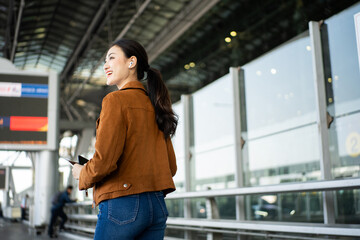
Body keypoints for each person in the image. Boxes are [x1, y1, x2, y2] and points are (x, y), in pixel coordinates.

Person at [72, 39, 178, 240]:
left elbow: (104, 161)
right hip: (156, 206)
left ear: (132, 62)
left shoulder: (115, 100)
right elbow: (170, 167)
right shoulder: (156, 105)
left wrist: (82, 173)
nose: (105, 65)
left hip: (123, 205)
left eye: (111, 58)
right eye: (105, 60)